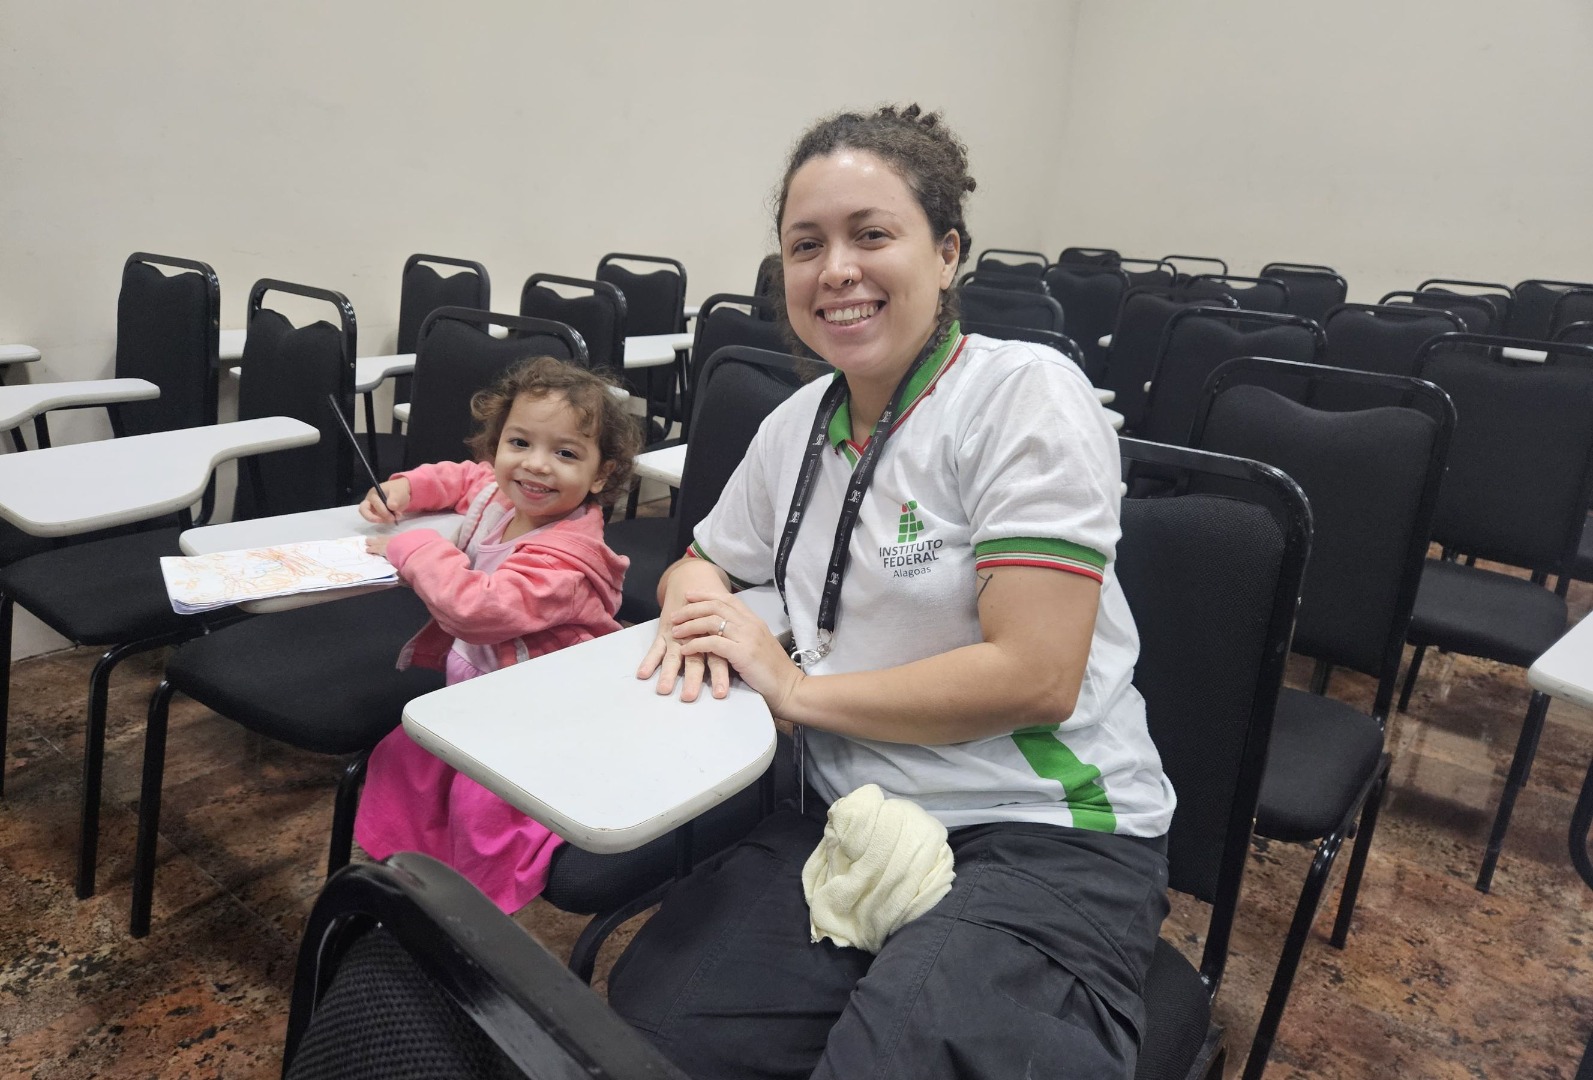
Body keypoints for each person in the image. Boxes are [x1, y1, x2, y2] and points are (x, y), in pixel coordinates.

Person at [608, 105, 1177, 1079]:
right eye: (805, 244)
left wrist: (792, 689)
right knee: (655, 1031)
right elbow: (702, 557)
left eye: (872, 235)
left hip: (1038, 836)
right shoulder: (797, 425)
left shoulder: (1022, 394)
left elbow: (1035, 675)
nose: (836, 269)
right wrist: (698, 610)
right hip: (849, 816)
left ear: (947, 250)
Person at [352, 355, 638, 913]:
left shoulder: (567, 560)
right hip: (484, 688)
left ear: (601, 474)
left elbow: (477, 610)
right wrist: (407, 489)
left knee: (482, 807)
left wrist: (411, 547)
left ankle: (475, 913)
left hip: (539, 708)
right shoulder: (503, 494)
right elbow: (465, 479)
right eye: (519, 443)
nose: (535, 467)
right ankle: (411, 876)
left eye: (565, 453)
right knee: (403, 755)